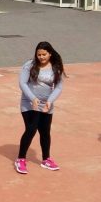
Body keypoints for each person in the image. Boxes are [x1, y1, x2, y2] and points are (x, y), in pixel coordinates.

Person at [15, 41, 65, 174]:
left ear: (50, 54)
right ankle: (20, 159)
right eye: (39, 54)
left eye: (44, 54)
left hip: (46, 104)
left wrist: (50, 100)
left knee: (45, 131)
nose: (41, 57)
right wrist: (33, 98)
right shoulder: (29, 65)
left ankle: (46, 159)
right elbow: (22, 83)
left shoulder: (56, 67)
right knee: (31, 129)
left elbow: (59, 87)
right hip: (29, 103)